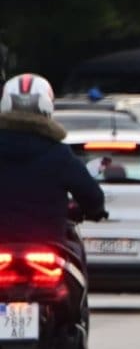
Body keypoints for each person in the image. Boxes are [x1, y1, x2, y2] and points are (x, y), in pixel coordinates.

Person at [0, 73, 106, 263]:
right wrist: (94, 210)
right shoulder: (59, 153)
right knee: (75, 259)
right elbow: (92, 196)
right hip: (49, 248)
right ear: (48, 106)